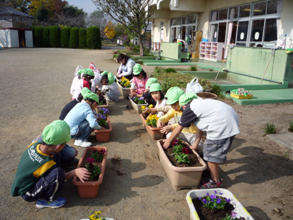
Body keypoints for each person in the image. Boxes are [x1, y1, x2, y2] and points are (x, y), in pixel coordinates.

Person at [11, 120, 90, 209]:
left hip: (29, 180)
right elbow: (62, 175)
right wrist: (74, 172)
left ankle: (50, 180)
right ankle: (47, 200)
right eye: (64, 144)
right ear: (59, 146)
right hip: (29, 192)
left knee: (55, 154)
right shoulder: (46, 163)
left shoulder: (35, 144)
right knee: (58, 173)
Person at [163, 98, 240, 189]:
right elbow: (201, 127)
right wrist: (195, 145)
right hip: (231, 119)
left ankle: (215, 181)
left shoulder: (189, 109)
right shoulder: (199, 105)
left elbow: (178, 130)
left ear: (184, 106)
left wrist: (168, 141)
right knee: (211, 152)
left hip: (222, 124)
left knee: (210, 154)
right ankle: (209, 170)